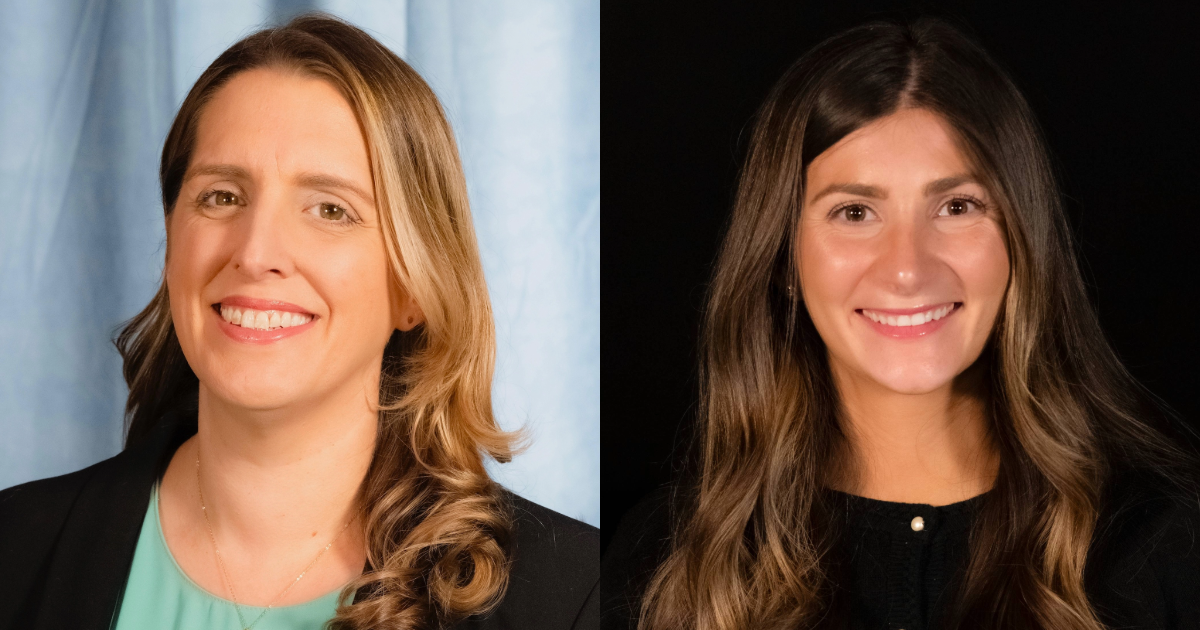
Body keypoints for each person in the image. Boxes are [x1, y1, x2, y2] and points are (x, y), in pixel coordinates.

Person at [0, 15, 597, 630]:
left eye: (330, 209)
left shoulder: (575, 598)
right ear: (173, 240)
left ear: (414, 287)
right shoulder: (15, 548)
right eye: (222, 196)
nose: (255, 252)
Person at [602, 18, 1200, 630]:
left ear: (1022, 239)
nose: (908, 269)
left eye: (957, 206)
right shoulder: (664, 561)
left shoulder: (1164, 545)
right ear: (784, 258)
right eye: (855, 212)